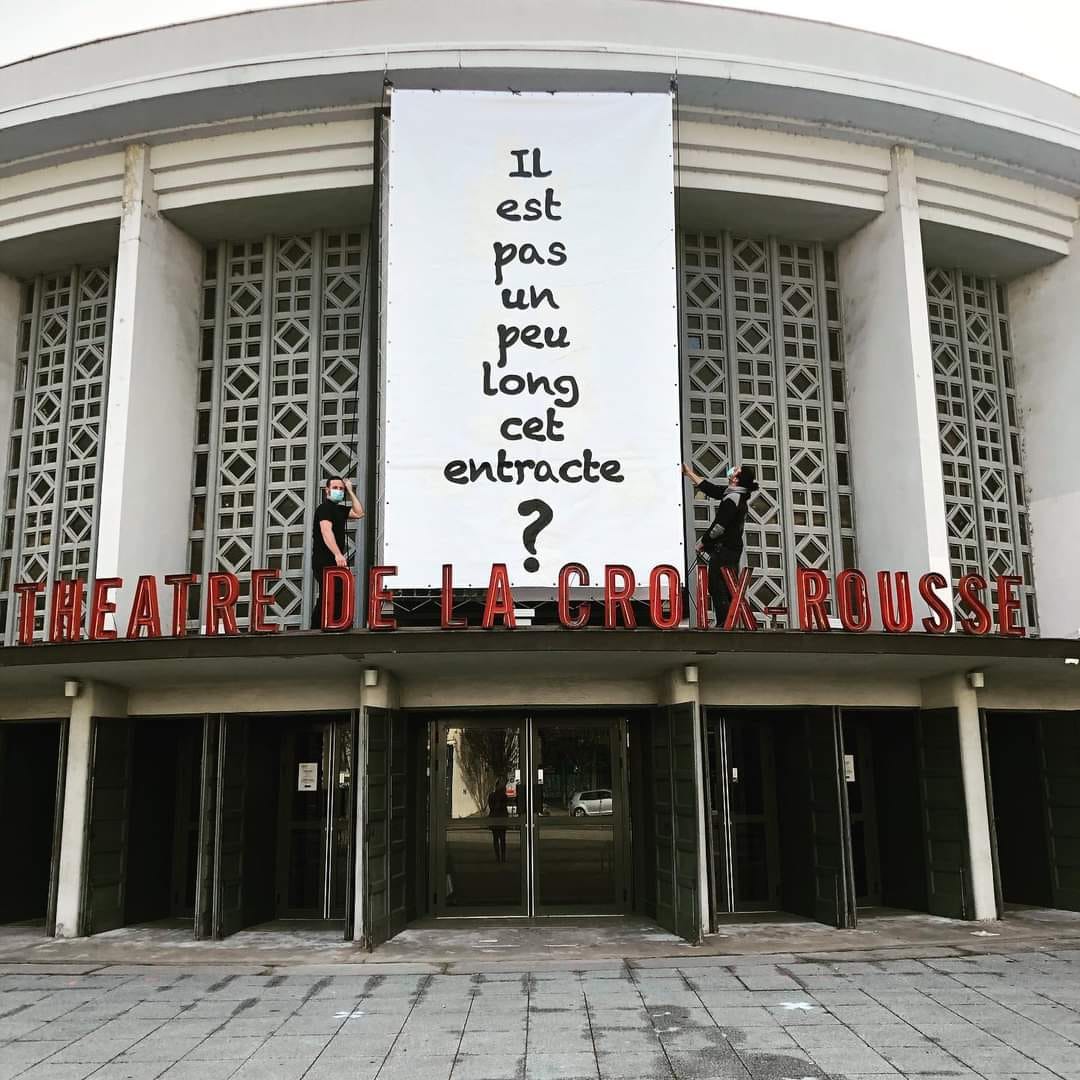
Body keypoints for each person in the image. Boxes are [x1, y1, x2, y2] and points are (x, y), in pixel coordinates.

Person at [681, 461, 758, 627]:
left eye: (736, 470)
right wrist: (689, 473)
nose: (732, 469)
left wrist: (703, 541)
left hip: (726, 550)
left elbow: (719, 527)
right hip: (730, 549)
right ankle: (729, 620)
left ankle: (725, 622)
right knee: (727, 585)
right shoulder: (732, 493)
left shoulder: (733, 498)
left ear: (736, 479)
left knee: (718, 584)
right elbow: (711, 489)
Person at [310, 476, 364, 629]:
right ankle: (316, 627)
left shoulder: (339, 509)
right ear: (327, 490)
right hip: (324, 559)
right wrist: (337, 554)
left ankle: (336, 623)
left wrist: (351, 492)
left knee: (338, 592)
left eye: (341, 489)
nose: (339, 491)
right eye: (335, 488)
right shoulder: (324, 508)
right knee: (329, 591)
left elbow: (359, 513)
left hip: (335, 560)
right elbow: (326, 531)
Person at [487, 784, 510, 863]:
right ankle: (501, 858)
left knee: (497, 839)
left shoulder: (499, 796)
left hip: (497, 820)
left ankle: (500, 858)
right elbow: (494, 807)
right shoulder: (500, 796)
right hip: (499, 820)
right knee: (501, 839)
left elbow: (493, 807)